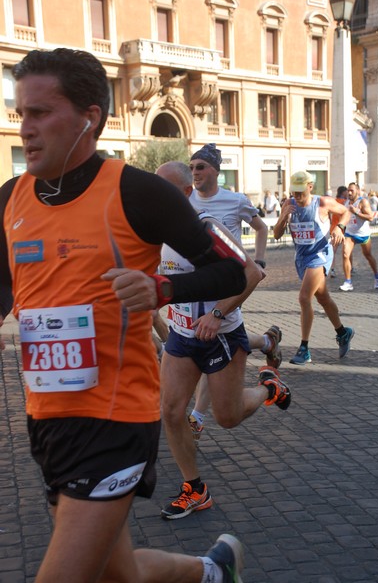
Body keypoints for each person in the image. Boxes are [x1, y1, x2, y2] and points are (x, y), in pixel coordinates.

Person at [0, 48, 251, 583]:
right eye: (22, 113)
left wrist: (162, 286)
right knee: (118, 575)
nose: (25, 128)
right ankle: (212, 573)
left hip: (115, 418)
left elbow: (235, 270)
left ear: (89, 118)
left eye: (40, 113)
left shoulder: (139, 192)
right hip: (48, 418)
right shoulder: (9, 199)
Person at [155, 161, 291, 520]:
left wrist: (216, 315)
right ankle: (195, 489)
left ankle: (269, 388)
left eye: (162, 190)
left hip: (222, 336)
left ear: (184, 194)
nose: (153, 197)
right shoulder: (154, 233)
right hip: (183, 338)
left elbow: (253, 273)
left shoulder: (207, 229)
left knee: (227, 417)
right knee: (170, 411)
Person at [187, 145, 281, 436]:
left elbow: (262, 228)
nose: (195, 173)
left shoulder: (235, 200)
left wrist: (260, 262)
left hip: (228, 286)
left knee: (210, 340)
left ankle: (197, 416)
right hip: (196, 287)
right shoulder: (185, 200)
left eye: (200, 167)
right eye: (191, 168)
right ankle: (267, 341)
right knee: (219, 338)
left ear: (215, 170)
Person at [273, 171, 354, 365]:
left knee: (304, 297)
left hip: (320, 255)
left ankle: (304, 349)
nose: (297, 197)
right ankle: (343, 333)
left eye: (300, 192)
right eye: (294, 192)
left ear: (310, 187)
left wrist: (339, 227)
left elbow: (346, 212)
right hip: (301, 257)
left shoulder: (322, 203)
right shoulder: (289, 204)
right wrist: (284, 216)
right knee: (323, 297)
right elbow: (276, 235)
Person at [340, 182, 378, 292]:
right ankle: (348, 282)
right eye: (348, 190)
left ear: (357, 191)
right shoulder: (346, 203)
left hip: (363, 234)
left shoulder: (363, 202)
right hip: (350, 234)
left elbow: (371, 217)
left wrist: (357, 212)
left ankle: (377, 276)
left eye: (351, 190)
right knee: (345, 254)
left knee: (368, 255)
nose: (349, 192)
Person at [329, 185, 348, 278]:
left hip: (334, 227)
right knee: (345, 250)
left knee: (333, 251)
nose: (348, 193)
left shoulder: (333, 201)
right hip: (341, 228)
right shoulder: (343, 202)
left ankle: (332, 269)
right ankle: (333, 269)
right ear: (343, 192)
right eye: (346, 191)